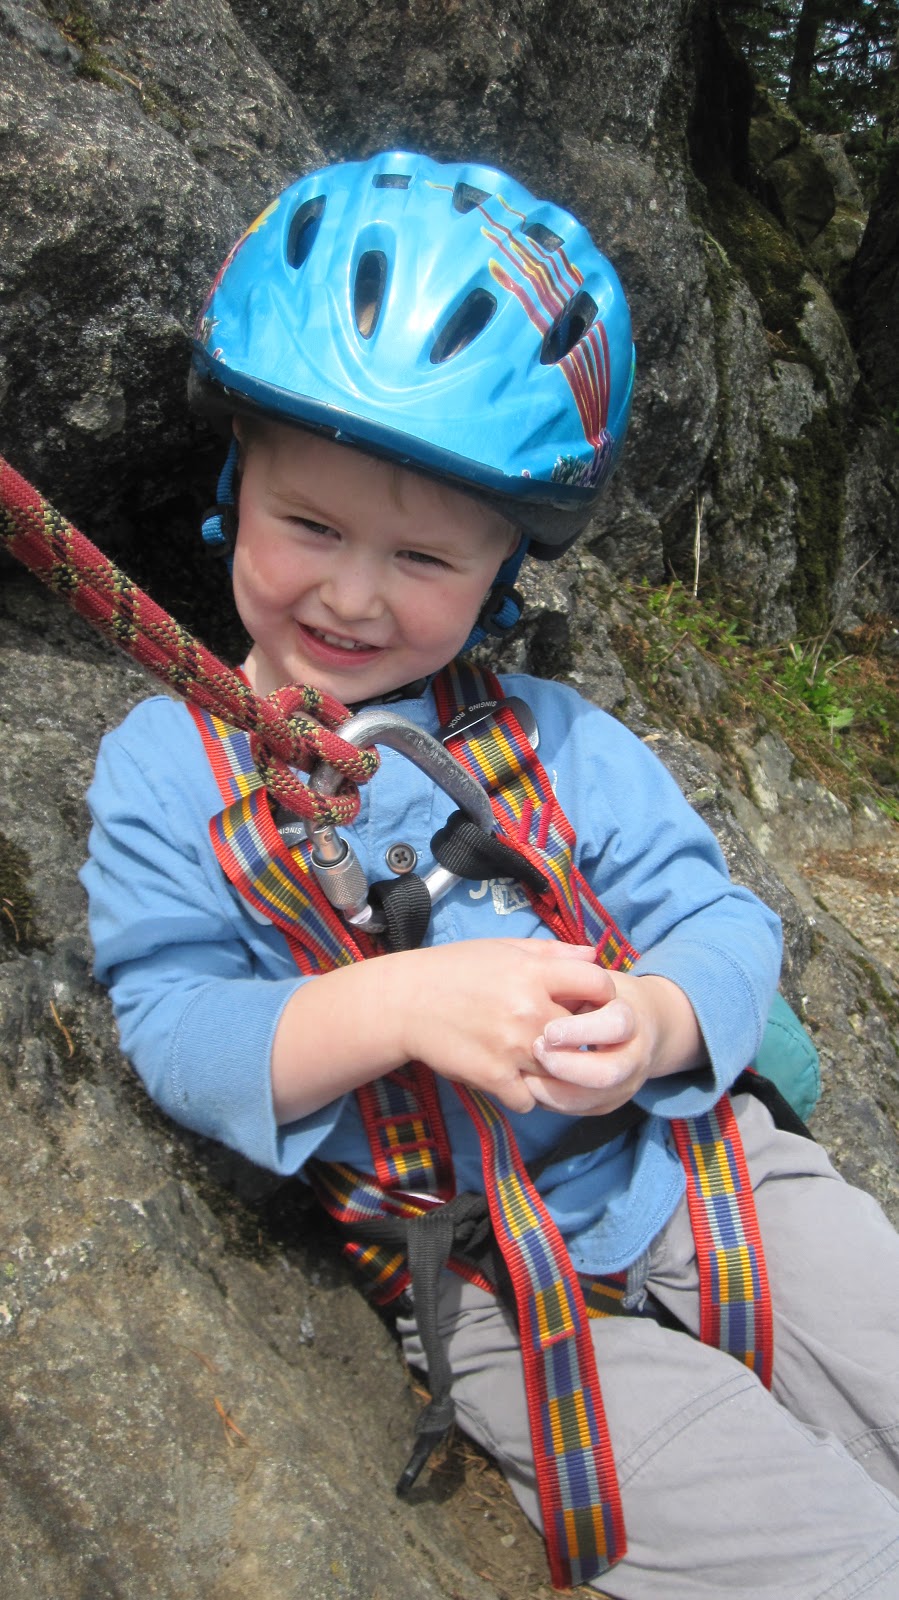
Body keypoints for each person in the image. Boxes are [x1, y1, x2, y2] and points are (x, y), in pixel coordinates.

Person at [81, 152, 899, 1599]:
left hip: (708, 1168)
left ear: (505, 573)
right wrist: (398, 1008)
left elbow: (714, 917)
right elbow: (178, 1024)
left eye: (423, 557)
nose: (350, 595)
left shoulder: (557, 741)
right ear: (234, 487)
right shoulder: (170, 767)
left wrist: (655, 1025)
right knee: (838, 1561)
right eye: (310, 526)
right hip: (484, 1285)